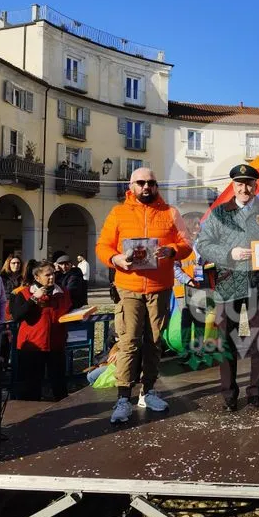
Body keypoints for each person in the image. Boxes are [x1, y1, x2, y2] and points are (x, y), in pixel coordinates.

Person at [96, 167, 192, 423]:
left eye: (151, 182)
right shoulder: (117, 212)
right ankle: (123, 398)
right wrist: (116, 258)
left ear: (156, 185)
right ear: (132, 185)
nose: (146, 186)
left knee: (154, 342)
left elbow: (186, 244)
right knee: (128, 342)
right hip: (128, 287)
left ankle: (148, 391)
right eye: (141, 182)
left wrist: (172, 251)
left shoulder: (171, 212)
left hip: (160, 288)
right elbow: (102, 246)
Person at [198, 164, 259, 411]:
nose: (244, 188)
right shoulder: (220, 213)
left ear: (256, 186)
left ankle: (256, 393)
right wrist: (228, 252)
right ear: (233, 186)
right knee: (226, 342)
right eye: (239, 184)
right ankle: (228, 395)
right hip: (227, 284)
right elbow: (202, 244)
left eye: (248, 184)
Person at [9, 261, 72, 400]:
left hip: (56, 344)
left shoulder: (63, 292)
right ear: (37, 277)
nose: (51, 278)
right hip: (33, 346)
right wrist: (33, 299)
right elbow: (17, 315)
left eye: (53, 274)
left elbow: (68, 310)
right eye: (47, 275)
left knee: (59, 384)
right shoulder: (23, 293)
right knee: (30, 386)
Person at [173, 211, 209, 359]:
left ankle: (199, 349)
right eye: (194, 223)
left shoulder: (204, 242)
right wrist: (187, 279)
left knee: (200, 320)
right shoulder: (180, 244)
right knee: (186, 320)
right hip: (184, 287)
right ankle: (186, 350)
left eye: (199, 223)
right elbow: (174, 267)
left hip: (200, 286)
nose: (197, 225)